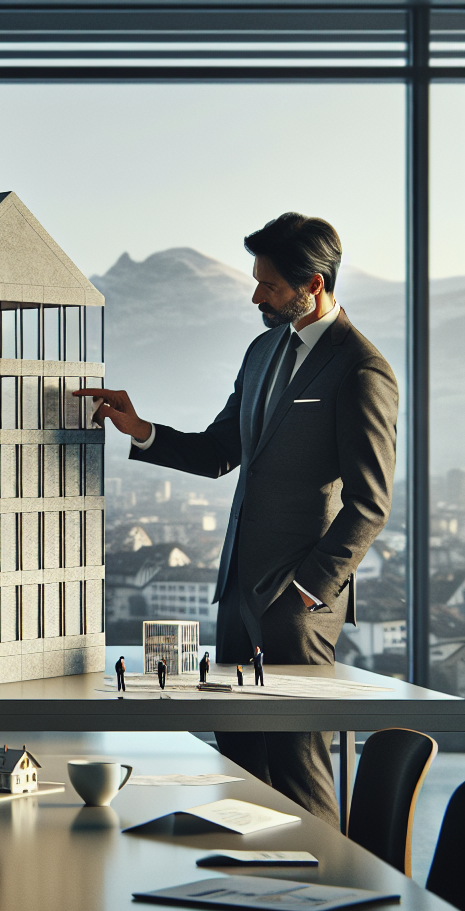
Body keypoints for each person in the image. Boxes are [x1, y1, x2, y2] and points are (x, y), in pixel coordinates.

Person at [77, 214, 397, 829]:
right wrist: (141, 430)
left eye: (269, 285)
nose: (257, 296)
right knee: (241, 762)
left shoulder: (361, 369)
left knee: (299, 767)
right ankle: (253, 897)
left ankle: (328, 897)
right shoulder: (261, 352)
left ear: (314, 282)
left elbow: (370, 503)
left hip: (298, 604)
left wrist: (308, 591)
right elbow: (219, 452)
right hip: (236, 595)